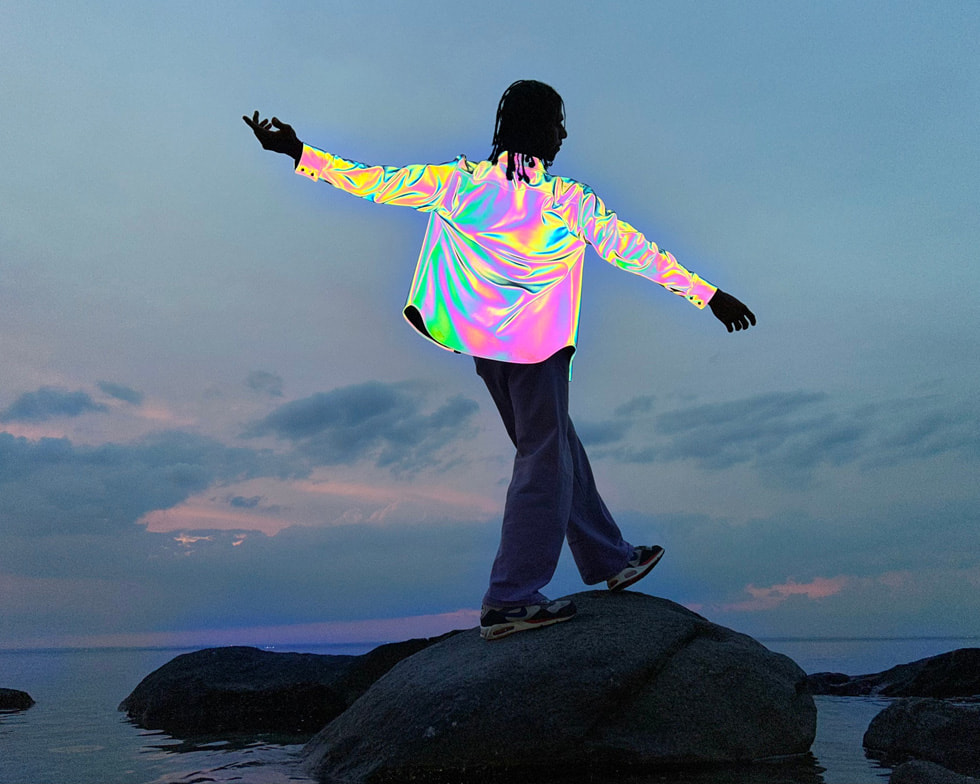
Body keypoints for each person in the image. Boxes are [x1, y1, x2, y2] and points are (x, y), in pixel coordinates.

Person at [244, 79, 755, 641]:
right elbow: (634, 250)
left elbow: (375, 183)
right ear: (540, 128)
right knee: (544, 458)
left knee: (556, 444)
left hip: (484, 345)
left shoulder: (459, 183)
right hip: (537, 348)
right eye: (558, 124)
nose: (564, 134)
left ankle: (610, 558)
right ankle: (510, 597)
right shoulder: (565, 199)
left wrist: (299, 153)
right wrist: (706, 293)